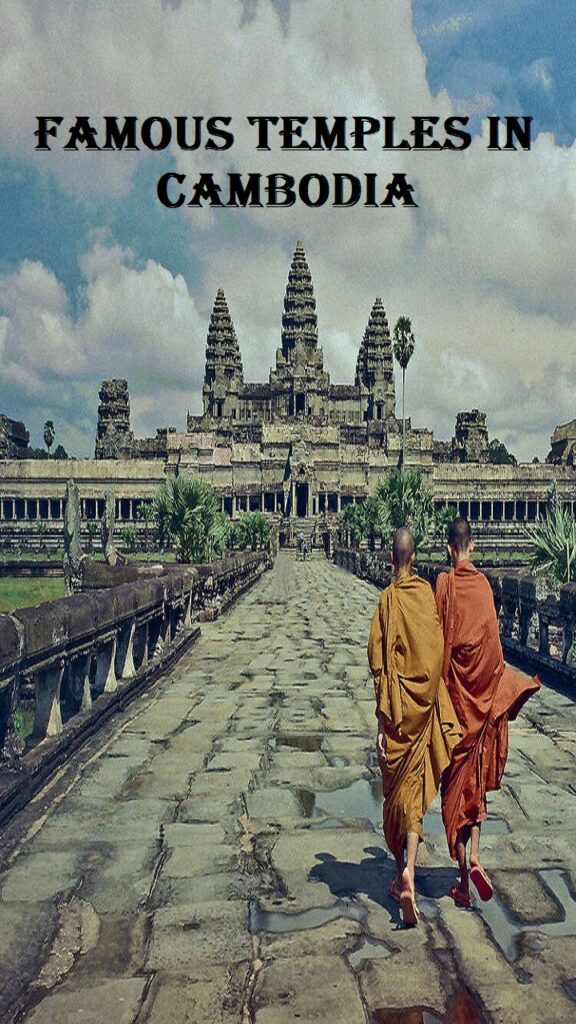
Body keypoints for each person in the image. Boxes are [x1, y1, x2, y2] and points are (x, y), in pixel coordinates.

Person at [436, 517, 540, 908]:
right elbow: (494, 651)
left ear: (449, 549)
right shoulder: (483, 586)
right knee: (475, 782)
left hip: (456, 703)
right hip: (481, 699)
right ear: (473, 546)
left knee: (455, 785)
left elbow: (438, 642)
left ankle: (463, 878)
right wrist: (496, 685)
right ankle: (477, 857)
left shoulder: (444, 585)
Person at [368, 527, 461, 925]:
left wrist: (380, 716)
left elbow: (377, 664)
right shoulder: (424, 595)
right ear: (415, 557)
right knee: (417, 788)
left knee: (396, 794)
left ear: (391, 559)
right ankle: (411, 870)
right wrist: (430, 692)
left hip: (396, 711)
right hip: (422, 707)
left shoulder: (387, 602)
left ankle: (400, 873)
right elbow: (437, 649)